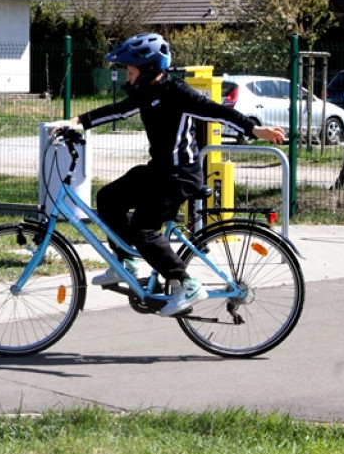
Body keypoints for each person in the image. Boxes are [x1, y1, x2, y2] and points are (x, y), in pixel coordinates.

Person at [51, 33, 285, 316]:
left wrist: (254, 130)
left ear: (148, 68)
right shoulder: (144, 93)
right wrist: (78, 122)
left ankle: (187, 283)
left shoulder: (177, 92)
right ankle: (125, 263)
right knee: (109, 198)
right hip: (159, 171)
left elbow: (216, 112)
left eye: (130, 69)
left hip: (180, 176)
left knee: (144, 230)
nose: (126, 74)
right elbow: (117, 111)